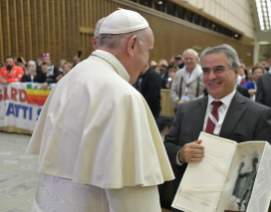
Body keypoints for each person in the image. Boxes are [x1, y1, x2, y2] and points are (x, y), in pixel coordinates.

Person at [27, 9, 174, 212]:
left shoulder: (67, 79)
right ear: (132, 45)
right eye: (148, 50)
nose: (146, 61)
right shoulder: (124, 96)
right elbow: (132, 195)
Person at [164, 44, 271, 212]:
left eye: (219, 69)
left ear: (236, 71)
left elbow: (267, 169)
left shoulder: (259, 114)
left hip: (231, 206)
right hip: (187, 203)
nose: (211, 77)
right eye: (206, 71)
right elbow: (168, 146)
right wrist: (181, 154)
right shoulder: (185, 110)